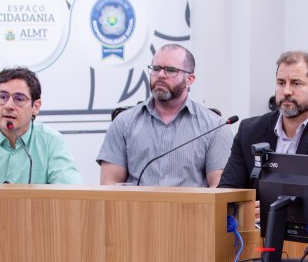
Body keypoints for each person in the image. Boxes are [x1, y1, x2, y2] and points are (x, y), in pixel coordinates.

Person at [217, 51, 308, 210]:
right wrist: (245, 212)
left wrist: (273, 212)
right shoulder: (249, 130)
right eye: (281, 82)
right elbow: (227, 192)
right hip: (251, 224)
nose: (286, 91)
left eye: (296, 83)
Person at [98, 44, 231, 187]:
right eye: (156, 69)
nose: (161, 75)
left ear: (190, 79)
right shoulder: (123, 122)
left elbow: (219, 189)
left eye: (170, 70)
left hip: (191, 203)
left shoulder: (215, 127)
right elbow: (110, 184)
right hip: (137, 202)